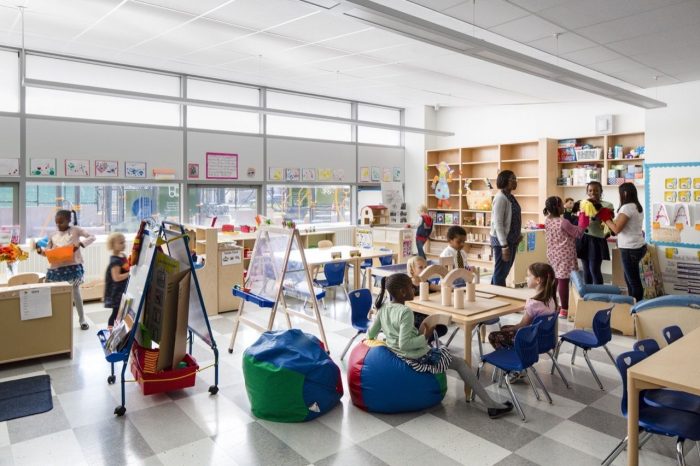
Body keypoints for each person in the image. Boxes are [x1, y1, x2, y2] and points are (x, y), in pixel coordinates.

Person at [368, 273, 513, 419]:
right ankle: (491, 405)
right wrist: (425, 337)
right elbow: (404, 344)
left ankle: (490, 403)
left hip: (397, 354)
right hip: (415, 357)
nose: (414, 289)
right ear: (402, 292)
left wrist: (387, 340)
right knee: (461, 363)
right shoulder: (405, 312)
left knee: (443, 351)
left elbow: (371, 334)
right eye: (411, 287)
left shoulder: (383, 308)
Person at [37, 209, 95, 330]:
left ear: (69, 220)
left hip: (72, 267)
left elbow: (92, 236)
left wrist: (81, 244)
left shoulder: (76, 230)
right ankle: (56, 320)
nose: (58, 225)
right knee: (55, 295)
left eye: (61, 222)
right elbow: (48, 253)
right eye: (56, 223)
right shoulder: (53, 234)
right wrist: (39, 251)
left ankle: (82, 319)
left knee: (76, 292)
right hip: (56, 269)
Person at [488, 263, 558, 350]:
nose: (526, 278)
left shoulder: (533, 304)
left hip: (529, 340)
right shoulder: (551, 299)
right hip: (543, 339)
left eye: (528, 276)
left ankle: (513, 355)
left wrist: (512, 328)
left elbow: (523, 325)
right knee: (504, 328)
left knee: (493, 336)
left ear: (538, 280)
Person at [603, 183, 646, 302]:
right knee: (630, 279)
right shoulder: (637, 206)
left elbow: (616, 229)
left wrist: (605, 218)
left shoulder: (626, 208)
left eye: (620, 193)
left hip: (629, 249)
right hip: (638, 246)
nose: (619, 196)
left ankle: (637, 306)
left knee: (633, 281)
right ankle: (632, 303)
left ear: (625, 193)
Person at [543, 196, 583, 318]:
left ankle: (553, 305)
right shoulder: (563, 222)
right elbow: (578, 233)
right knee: (563, 281)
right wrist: (583, 219)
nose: (564, 207)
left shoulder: (547, 220)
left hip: (553, 254)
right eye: (562, 205)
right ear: (557, 207)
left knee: (555, 279)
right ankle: (564, 309)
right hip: (564, 255)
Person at [577, 181, 613, 284]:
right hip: (584, 238)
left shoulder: (607, 205)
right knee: (586, 270)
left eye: (596, 190)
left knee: (594, 269)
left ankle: (598, 293)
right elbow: (580, 221)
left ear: (601, 191)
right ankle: (587, 293)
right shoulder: (583, 204)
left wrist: (598, 211)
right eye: (590, 190)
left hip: (597, 240)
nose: (593, 193)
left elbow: (608, 223)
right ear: (587, 192)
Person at [490, 170, 522, 286]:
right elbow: (498, 223)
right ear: (504, 181)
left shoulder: (510, 197)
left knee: (504, 271)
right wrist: (504, 245)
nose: (515, 181)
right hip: (502, 241)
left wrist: (518, 234)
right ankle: (499, 295)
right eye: (512, 179)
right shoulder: (500, 198)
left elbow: (514, 217)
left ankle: (492, 292)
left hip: (512, 239)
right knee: (501, 273)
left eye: (515, 179)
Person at [406, 256, 445, 340]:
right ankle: (423, 341)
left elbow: (438, 287)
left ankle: (427, 341)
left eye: (425, 267)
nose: (424, 270)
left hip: (427, 312)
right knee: (433, 326)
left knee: (443, 328)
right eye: (420, 267)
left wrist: (449, 286)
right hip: (414, 316)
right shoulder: (408, 284)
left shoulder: (425, 282)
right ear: (412, 270)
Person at [104, 232, 130, 329]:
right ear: (113, 245)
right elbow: (116, 277)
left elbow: (125, 267)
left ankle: (118, 329)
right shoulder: (115, 261)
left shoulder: (122, 256)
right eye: (121, 243)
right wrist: (130, 273)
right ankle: (110, 331)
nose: (124, 244)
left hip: (122, 290)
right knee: (115, 313)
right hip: (116, 293)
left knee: (121, 312)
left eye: (124, 242)